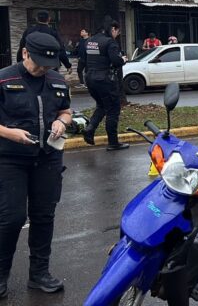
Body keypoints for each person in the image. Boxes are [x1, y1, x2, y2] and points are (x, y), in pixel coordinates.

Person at [0, 32, 72, 298]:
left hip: (48, 158)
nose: (43, 69)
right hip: (11, 159)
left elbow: (66, 110)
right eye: (39, 63)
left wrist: (62, 122)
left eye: (48, 65)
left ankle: (39, 274)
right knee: (12, 218)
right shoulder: (4, 79)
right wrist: (10, 133)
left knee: (44, 216)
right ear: (25, 53)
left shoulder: (56, 80)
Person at [82, 19, 129, 151]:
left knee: (102, 105)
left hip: (90, 78)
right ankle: (113, 142)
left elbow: (84, 59)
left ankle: (90, 129)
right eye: (117, 32)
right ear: (113, 29)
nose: (117, 35)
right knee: (113, 110)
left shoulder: (89, 41)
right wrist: (123, 60)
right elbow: (116, 61)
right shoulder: (110, 42)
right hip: (105, 79)